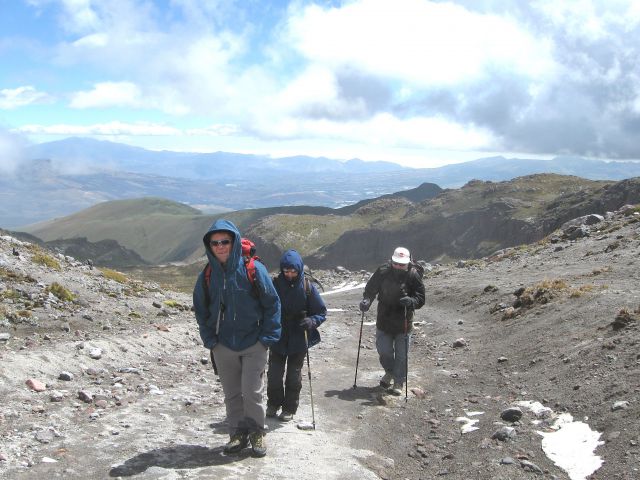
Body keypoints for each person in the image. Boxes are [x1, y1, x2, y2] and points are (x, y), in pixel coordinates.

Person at [193, 219, 281, 457]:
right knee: (232, 393)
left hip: (254, 343)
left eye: (225, 241)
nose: (220, 246)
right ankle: (237, 434)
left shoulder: (253, 269)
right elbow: (201, 310)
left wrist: (267, 338)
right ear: (209, 245)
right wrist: (210, 340)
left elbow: (272, 304)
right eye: (215, 242)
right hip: (223, 345)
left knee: (251, 391)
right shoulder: (208, 275)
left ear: (233, 242)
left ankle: (257, 433)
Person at [267, 250, 327, 422]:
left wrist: (312, 321)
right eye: (286, 271)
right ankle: (273, 403)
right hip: (278, 336)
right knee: (274, 374)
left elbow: (321, 312)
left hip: (300, 338)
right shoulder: (275, 284)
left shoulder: (307, 286)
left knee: (294, 375)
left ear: (299, 269)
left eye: (293, 271)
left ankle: (289, 408)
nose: (290, 274)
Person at [359, 246, 425, 395]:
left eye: (402, 264)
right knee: (384, 351)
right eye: (396, 263)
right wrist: (366, 301)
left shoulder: (413, 275)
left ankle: (398, 382)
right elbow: (370, 289)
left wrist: (411, 301)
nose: (398, 266)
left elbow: (421, 298)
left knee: (402, 355)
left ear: (408, 263)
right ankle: (390, 372)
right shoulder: (382, 271)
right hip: (384, 319)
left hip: (404, 322)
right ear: (392, 260)